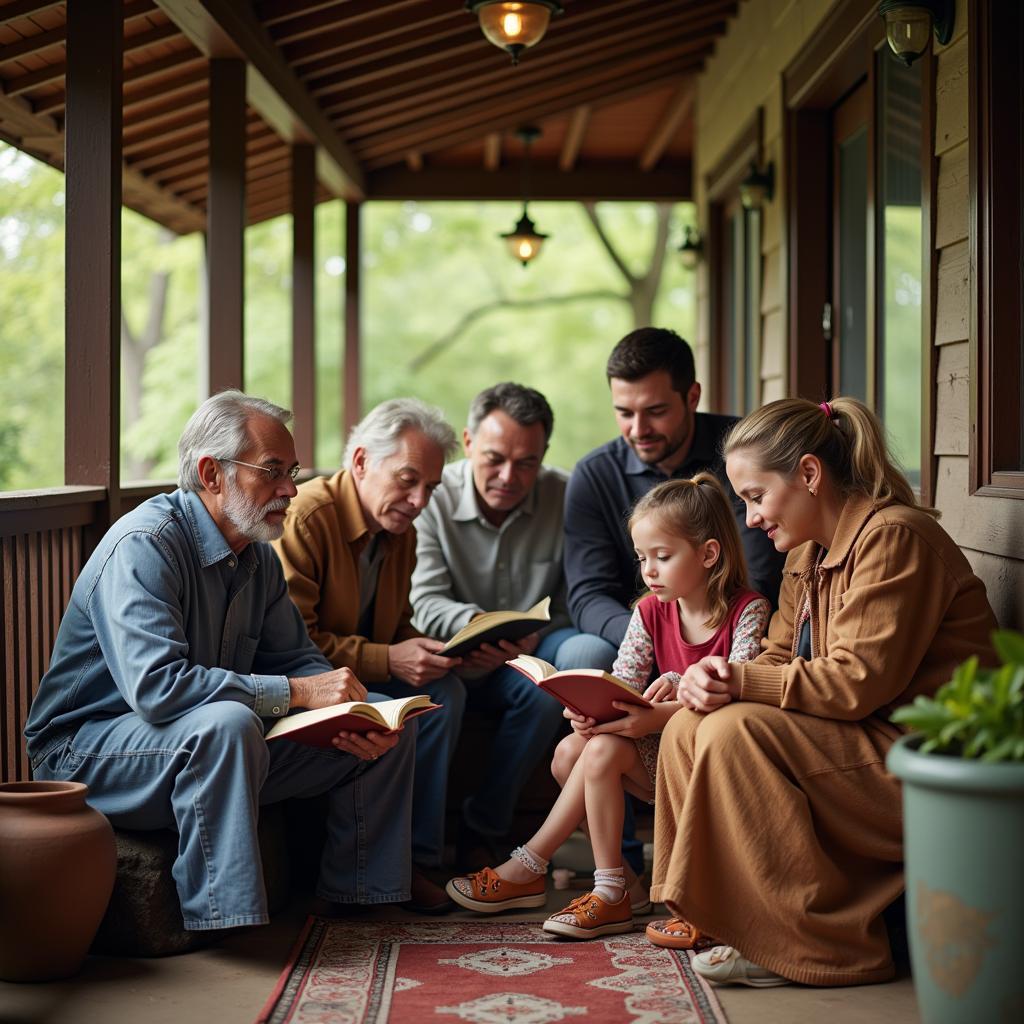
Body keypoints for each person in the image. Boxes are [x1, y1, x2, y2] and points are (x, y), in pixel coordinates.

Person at [24, 391, 417, 931]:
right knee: (229, 724)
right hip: (86, 754)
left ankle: (360, 894)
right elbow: (158, 689)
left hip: (205, 745)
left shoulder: (257, 553)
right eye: (272, 471)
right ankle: (225, 921)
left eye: (293, 471)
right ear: (212, 473)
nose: (290, 489)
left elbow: (300, 660)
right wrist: (301, 695)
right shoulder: (146, 545)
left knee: (385, 719)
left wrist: (346, 708)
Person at [648, 397, 998, 988]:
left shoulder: (895, 538)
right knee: (688, 723)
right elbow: (781, 656)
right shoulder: (807, 554)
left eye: (756, 497)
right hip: (861, 740)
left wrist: (739, 682)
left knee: (735, 731)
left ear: (809, 475)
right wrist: (713, 679)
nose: (751, 518)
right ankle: (729, 917)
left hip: (922, 762)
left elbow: (857, 682)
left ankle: (820, 945)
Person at [446, 473, 771, 940]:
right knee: (570, 750)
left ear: (708, 554)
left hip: (702, 760)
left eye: (662, 556)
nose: (649, 571)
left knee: (595, 753)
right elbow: (622, 682)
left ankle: (555, 871)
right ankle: (623, 887)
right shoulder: (648, 611)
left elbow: (733, 697)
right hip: (652, 748)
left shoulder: (749, 611)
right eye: (642, 558)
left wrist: (657, 712)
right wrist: (588, 709)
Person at [272, 398, 462, 906]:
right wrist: (388, 659)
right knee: (392, 711)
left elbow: (395, 625)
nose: (419, 499)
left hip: (357, 672)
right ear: (360, 462)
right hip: (307, 681)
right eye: (407, 479)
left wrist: (428, 650)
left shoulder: (401, 533)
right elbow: (294, 642)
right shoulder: (307, 517)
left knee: (445, 690)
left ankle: (417, 860)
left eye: (430, 488)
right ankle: (360, 885)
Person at [410, 382, 581, 869]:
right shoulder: (432, 495)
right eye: (494, 458)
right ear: (467, 443)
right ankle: (421, 856)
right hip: (452, 657)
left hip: (528, 657)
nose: (509, 476)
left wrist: (531, 639)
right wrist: (477, 627)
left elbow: (577, 596)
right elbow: (424, 600)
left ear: (544, 455)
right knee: (443, 696)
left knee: (547, 687)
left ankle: (482, 831)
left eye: (527, 462)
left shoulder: (565, 494)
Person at [561, 326, 785, 673]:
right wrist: (650, 637)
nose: (638, 429)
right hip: (635, 633)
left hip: (726, 630)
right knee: (582, 655)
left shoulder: (740, 456)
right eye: (624, 413)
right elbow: (588, 594)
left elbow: (758, 574)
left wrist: (692, 643)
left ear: (692, 397)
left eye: (656, 411)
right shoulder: (593, 475)